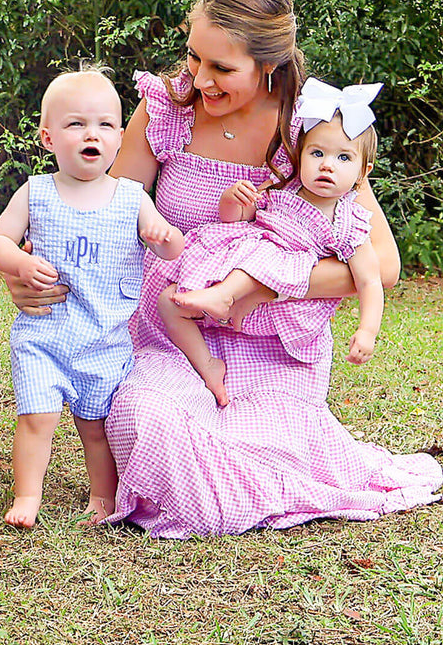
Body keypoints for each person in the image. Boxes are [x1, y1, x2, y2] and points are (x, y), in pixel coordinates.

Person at [4, 0, 443, 538]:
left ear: (268, 65)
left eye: (221, 69)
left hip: (271, 342)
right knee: (146, 418)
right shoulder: (166, 109)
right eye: (194, 58)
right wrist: (33, 268)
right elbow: (105, 211)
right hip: (171, 327)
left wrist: (263, 281)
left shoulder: (312, 130)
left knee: (257, 440)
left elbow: (383, 264)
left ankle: (258, 478)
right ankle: (201, 484)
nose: (200, 79)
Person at [0, 70, 184, 529]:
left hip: (105, 340)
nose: (92, 134)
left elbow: (172, 250)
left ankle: (101, 497)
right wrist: (18, 262)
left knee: (96, 429)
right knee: (37, 418)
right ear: (48, 137)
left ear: (118, 139)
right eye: (76, 124)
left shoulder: (132, 198)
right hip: (45, 334)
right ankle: (28, 496)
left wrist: (163, 235)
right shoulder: (36, 192)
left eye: (105, 125)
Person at [157, 79, 386, 407]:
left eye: (343, 158)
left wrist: (367, 331)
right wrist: (234, 201)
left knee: (266, 255)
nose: (327, 164)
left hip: (274, 306)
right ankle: (208, 365)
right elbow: (238, 219)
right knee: (169, 301)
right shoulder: (283, 186)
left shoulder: (349, 226)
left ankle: (222, 297)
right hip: (234, 275)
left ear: (363, 171)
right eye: (317, 153)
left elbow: (370, 280)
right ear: (300, 154)